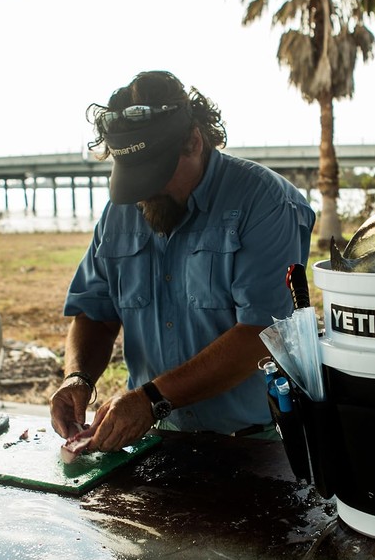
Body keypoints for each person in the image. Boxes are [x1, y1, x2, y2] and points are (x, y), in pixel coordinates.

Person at [49, 70, 316, 453]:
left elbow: (262, 334)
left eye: (153, 175)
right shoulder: (120, 213)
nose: (143, 194)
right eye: (133, 179)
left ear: (194, 141)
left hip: (256, 442)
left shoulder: (266, 203)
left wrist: (151, 399)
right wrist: (78, 377)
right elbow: (96, 312)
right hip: (157, 438)